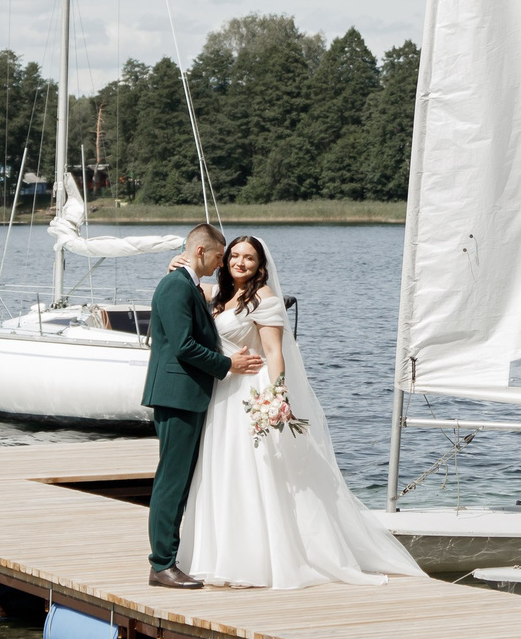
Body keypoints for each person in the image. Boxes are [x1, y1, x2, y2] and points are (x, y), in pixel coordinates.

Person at [177, 234, 424, 588]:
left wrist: (277, 396)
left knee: (253, 468)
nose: (239, 263)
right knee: (222, 467)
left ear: (260, 265)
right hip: (222, 391)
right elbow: (191, 285)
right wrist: (180, 264)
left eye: (248, 258)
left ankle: (256, 560)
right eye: (234, 256)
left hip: (251, 390)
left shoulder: (264, 298)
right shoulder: (218, 296)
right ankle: (219, 555)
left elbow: (274, 352)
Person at [143, 223, 261, 589]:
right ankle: (162, 563)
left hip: (186, 395)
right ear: (200, 252)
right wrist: (229, 366)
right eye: (217, 256)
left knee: (178, 481)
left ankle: (170, 559)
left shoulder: (188, 284)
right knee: (171, 482)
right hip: (176, 396)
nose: (221, 263)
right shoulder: (176, 286)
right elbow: (182, 346)